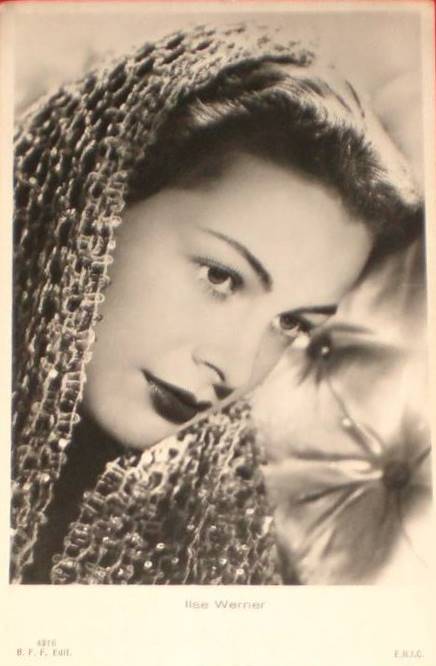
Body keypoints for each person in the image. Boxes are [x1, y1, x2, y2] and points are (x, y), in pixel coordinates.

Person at [11, 23, 423, 584]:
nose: (234, 367)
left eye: (290, 323)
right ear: (97, 205)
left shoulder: (222, 550)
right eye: (220, 276)